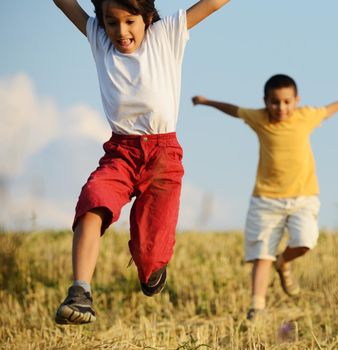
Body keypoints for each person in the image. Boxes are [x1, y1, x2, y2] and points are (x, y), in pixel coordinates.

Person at [52, 0, 230, 325]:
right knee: (92, 203)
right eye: (111, 22)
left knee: (151, 258)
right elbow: (65, 4)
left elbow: (214, 4)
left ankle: (150, 263)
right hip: (120, 152)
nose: (121, 32)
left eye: (130, 21)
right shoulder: (98, 39)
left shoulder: (166, 35)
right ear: (102, 22)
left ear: (146, 18)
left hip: (162, 156)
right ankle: (80, 292)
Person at [192, 74, 338, 319]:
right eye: (274, 102)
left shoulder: (306, 116)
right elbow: (233, 110)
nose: (280, 108)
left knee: (305, 240)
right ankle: (256, 307)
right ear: (265, 101)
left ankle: (283, 261)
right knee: (261, 254)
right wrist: (207, 102)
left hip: (303, 197)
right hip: (266, 199)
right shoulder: (258, 118)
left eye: (286, 102)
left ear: (296, 101)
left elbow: (328, 110)